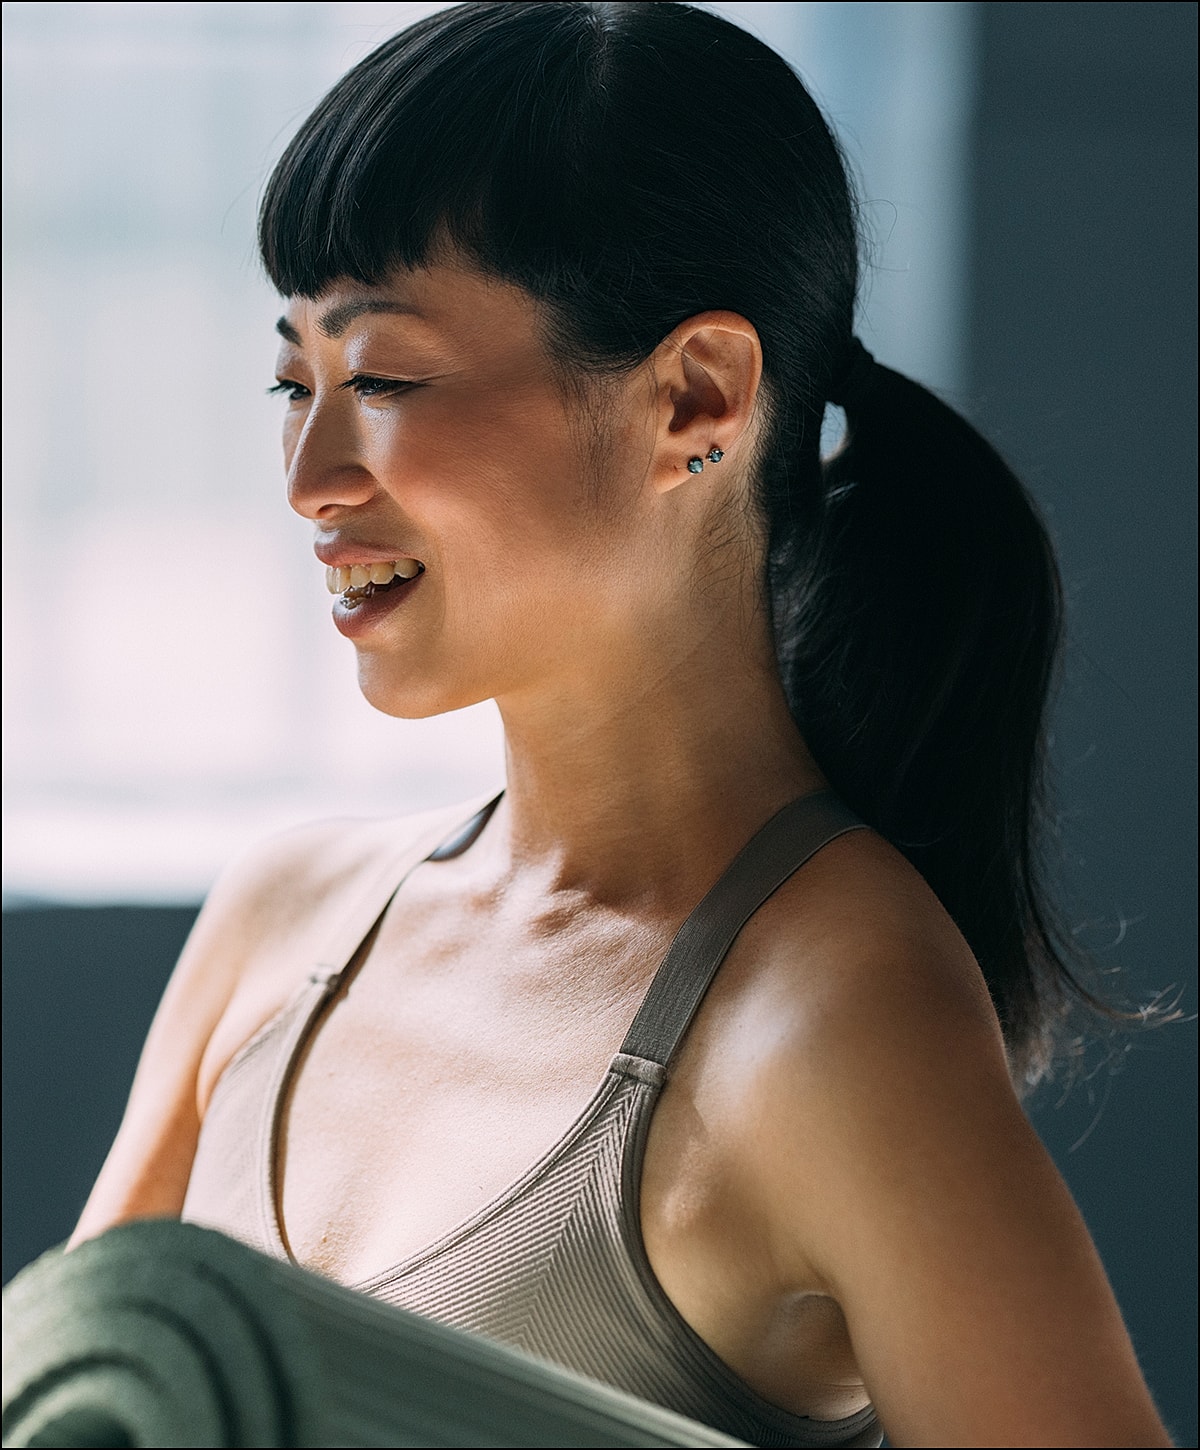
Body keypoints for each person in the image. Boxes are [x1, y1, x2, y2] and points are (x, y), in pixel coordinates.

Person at [68, 4, 1174, 1445]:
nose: (311, 476)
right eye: (295, 381)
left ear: (693, 397)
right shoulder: (279, 922)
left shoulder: (834, 1013)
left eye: (386, 379)